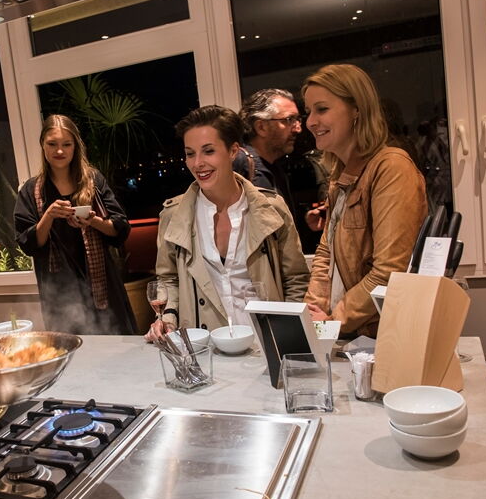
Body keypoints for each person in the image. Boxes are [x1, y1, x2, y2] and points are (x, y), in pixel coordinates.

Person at [147, 105, 309, 341]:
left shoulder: (272, 208)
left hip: (266, 342)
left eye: (208, 151)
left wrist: (288, 335)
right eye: (190, 153)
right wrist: (168, 318)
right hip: (205, 344)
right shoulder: (174, 214)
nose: (197, 163)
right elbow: (168, 279)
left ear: (233, 151)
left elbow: (295, 278)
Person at [301, 64, 427, 337]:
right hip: (345, 335)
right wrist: (311, 315)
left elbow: (389, 272)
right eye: (309, 111)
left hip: (380, 336)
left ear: (356, 109)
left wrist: (333, 322)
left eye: (322, 109)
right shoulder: (340, 174)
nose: (310, 121)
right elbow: (325, 254)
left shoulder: (391, 168)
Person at [15, 114, 137, 334]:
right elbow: (29, 244)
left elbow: (120, 230)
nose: (59, 151)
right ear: (43, 145)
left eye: (66, 144)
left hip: (103, 285)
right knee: (71, 348)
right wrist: (49, 216)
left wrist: (93, 221)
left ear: (75, 147)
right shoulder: (31, 190)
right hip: (59, 291)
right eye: (52, 144)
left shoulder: (93, 181)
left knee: (115, 344)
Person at [238, 88, 303, 222]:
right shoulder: (241, 163)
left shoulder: (274, 166)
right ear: (261, 127)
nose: (298, 128)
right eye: (289, 120)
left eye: (298, 119)